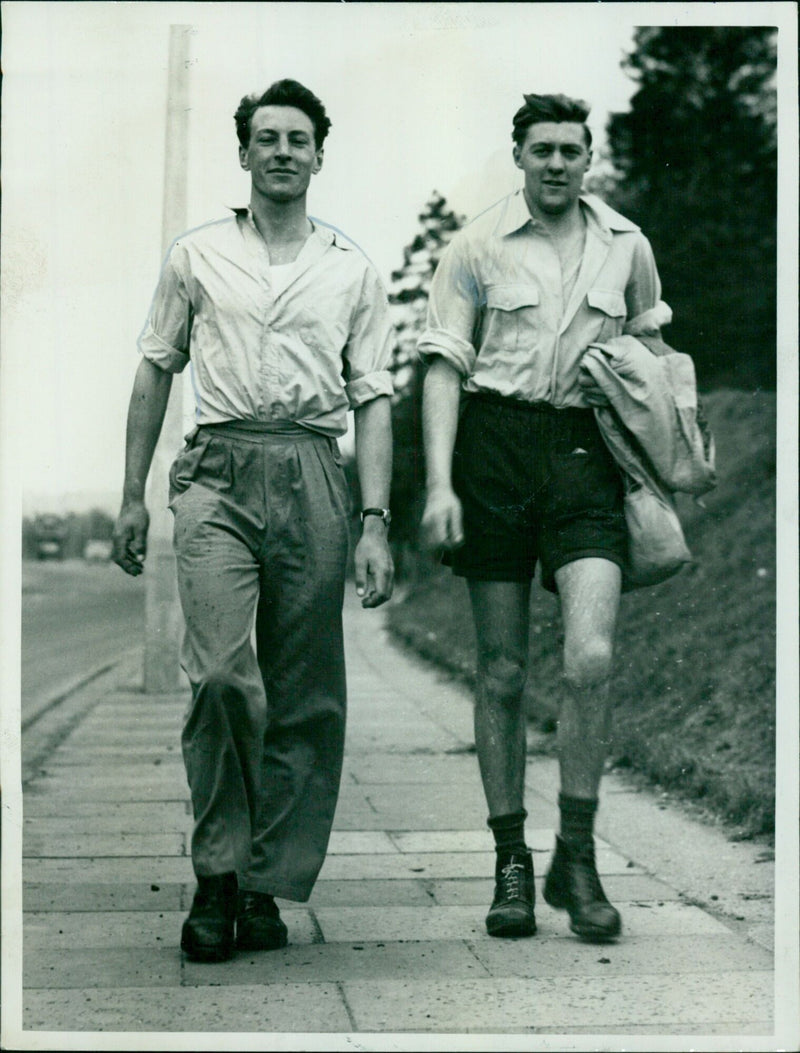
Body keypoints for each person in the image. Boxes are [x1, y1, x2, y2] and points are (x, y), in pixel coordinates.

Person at [112, 79, 395, 962]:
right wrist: (130, 492)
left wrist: (376, 519)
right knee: (225, 677)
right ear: (243, 153)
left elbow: (374, 398)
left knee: (305, 690)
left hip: (313, 467)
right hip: (218, 472)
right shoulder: (196, 256)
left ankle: (268, 884)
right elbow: (156, 371)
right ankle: (217, 873)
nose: (281, 151)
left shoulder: (351, 267)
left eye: (297, 139)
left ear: (319, 154)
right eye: (265, 137)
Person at [418, 93, 671, 943]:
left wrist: (668, 447)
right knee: (500, 670)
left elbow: (654, 351)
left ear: (588, 156)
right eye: (542, 149)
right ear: (518, 156)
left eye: (571, 149)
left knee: (592, 654)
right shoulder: (476, 246)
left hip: (585, 456)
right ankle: (511, 864)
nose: (557, 163)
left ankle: (579, 852)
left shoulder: (627, 244)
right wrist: (442, 484)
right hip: (494, 449)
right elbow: (445, 369)